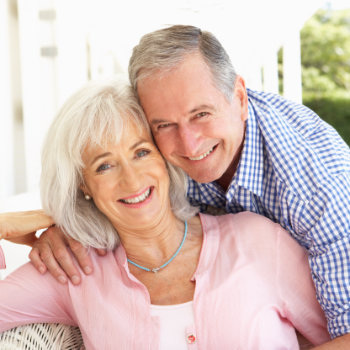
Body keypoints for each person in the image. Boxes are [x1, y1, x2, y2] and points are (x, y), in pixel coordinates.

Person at [8, 25, 350, 344]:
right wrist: (25, 223)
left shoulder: (315, 194)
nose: (188, 145)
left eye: (201, 114)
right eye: (164, 125)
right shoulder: (77, 270)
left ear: (241, 99)